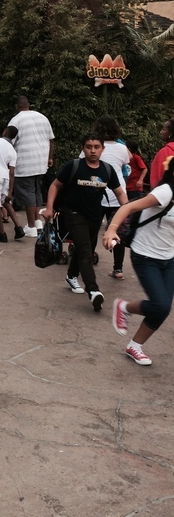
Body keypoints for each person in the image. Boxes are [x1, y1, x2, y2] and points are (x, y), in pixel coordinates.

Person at [103, 157, 174, 366]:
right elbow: (128, 208)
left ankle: (135, 345)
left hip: (169, 257)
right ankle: (124, 307)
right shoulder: (165, 192)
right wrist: (111, 230)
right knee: (160, 305)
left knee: (162, 308)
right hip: (145, 255)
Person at [43, 134, 127, 311]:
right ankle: (93, 290)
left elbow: (120, 193)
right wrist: (49, 207)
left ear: (102, 149)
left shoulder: (107, 170)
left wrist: (127, 213)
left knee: (85, 249)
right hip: (73, 214)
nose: (93, 150)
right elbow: (55, 185)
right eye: (89, 147)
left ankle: (71, 276)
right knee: (85, 251)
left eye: (97, 147)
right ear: (83, 148)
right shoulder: (73, 166)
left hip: (95, 217)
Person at [8, 96, 55, 237]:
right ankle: (37, 221)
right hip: (41, 162)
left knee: (27, 194)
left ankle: (31, 226)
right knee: (36, 191)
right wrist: (50, 157)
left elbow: (9, 143)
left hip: (24, 163)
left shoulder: (15, 120)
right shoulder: (42, 117)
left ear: (16, 106)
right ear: (29, 104)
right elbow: (51, 140)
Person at [92, 116, 131, 281]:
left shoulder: (93, 146)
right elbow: (125, 164)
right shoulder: (122, 148)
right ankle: (118, 268)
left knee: (92, 230)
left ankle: (87, 261)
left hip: (95, 193)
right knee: (117, 232)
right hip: (117, 194)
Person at [149, 119, 174, 189]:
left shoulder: (165, 152)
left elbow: (159, 176)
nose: (161, 132)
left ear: (170, 133)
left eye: (163, 129)